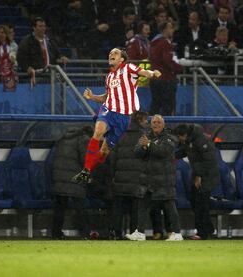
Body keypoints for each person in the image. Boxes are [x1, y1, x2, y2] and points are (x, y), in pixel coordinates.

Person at [71, 48, 161, 184]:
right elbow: (107, 97)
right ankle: (85, 170)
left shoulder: (128, 68)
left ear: (122, 59)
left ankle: (88, 172)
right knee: (98, 131)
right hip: (108, 110)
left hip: (124, 117)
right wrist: (92, 97)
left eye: (115, 53)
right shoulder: (109, 77)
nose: (111, 54)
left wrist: (152, 73)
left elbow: (144, 72)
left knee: (104, 152)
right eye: (110, 53)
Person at [125, 114, 183, 241]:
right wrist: (144, 147)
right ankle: (140, 233)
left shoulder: (169, 138)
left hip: (164, 179)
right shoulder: (146, 137)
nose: (156, 124)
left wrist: (149, 145)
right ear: (150, 124)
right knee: (142, 205)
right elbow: (136, 152)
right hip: (148, 179)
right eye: (153, 122)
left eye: (158, 122)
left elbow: (163, 152)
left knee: (169, 205)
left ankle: (177, 233)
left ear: (163, 124)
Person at [174, 123, 220, 240]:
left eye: (179, 137)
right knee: (196, 202)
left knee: (201, 204)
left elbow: (208, 160)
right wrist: (171, 155)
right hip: (198, 174)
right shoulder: (190, 140)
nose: (179, 140)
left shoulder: (200, 140)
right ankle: (207, 229)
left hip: (207, 175)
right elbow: (185, 151)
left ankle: (203, 233)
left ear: (185, 134)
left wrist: (199, 175)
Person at [110, 111, 148, 239]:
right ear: (140, 120)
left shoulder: (120, 135)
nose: (146, 122)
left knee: (118, 209)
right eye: (145, 120)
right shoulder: (143, 137)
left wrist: (114, 176)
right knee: (135, 210)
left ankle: (116, 234)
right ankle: (134, 234)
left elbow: (113, 159)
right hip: (136, 180)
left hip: (120, 179)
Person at [51, 126, 94, 240]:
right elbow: (86, 160)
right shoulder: (84, 139)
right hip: (74, 178)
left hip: (59, 177)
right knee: (80, 206)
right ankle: (85, 233)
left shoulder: (63, 138)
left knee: (60, 207)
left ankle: (56, 233)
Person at [17, 17, 67, 86]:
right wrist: (27, 67)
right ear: (34, 28)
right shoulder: (26, 41)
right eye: (40, 26)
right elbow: (20, 57)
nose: (43, 28)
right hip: (35, 75)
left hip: (49, 75)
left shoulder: (50, 40)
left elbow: (57, 53)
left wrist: (61, 57)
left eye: (44, 26)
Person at [149, 20, 183, 116]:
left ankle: (151, 128)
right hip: (166, 79)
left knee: (155, 105)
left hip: (154, 78)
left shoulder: (153, 43)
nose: (173, 30)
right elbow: (168, 61)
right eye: (171, 28)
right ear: (165, 30)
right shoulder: (165, 43)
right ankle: (165, 128)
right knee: (167, 106)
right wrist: (180, 68)